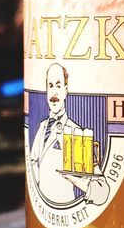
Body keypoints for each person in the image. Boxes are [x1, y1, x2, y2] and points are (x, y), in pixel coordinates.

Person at [29, 61, 109, 208]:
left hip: (66, 211)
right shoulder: (42, 127)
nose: (53, 93)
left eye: (58, 86)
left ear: (66, 90)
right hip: (44, 215)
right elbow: (33, 163)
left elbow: (102, 191)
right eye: (50, 86)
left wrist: (80, 182)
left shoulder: (75, 134)